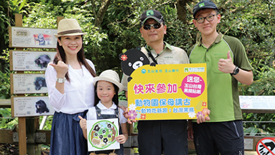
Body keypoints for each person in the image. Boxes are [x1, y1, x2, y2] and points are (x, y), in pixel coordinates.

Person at [187, 1, 253, 154]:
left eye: (210, 16)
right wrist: (190, 121)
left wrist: (233, 69)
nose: (206, 22)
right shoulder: (191, 51)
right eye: (201, 18)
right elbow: (188, 88)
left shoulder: (233, 44)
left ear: (218, 18)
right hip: (201, 120)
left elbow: (249, 79)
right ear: (195, 23)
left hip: (228, 119)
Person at [121, 10, 190, 155]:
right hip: (147, 120)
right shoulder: (133, 57)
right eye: (147, 27)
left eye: (156, 25)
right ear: (141, 31)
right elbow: (129, 91)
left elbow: (189, 87)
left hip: (175, 119)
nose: (152, 29)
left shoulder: (180, 54)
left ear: (164, 28)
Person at [45, 18, 96, 155]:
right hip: (66, 124)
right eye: (67, 38)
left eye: (77, 38)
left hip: (90, 121)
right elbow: (57, 104)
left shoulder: (89, 65)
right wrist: (61, 76)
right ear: (60, 42)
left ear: (81, 40)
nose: (73, 42)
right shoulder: (53, 67)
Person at [79, 69, 128, 155]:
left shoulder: (120, 112)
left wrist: (124, 137)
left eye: (108, 88)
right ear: (96, 90)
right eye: (100, 89)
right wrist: (84, 128)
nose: (104, 92)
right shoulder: (92, 111)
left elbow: (125, 133)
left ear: (115, 91)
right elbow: (88, 137)